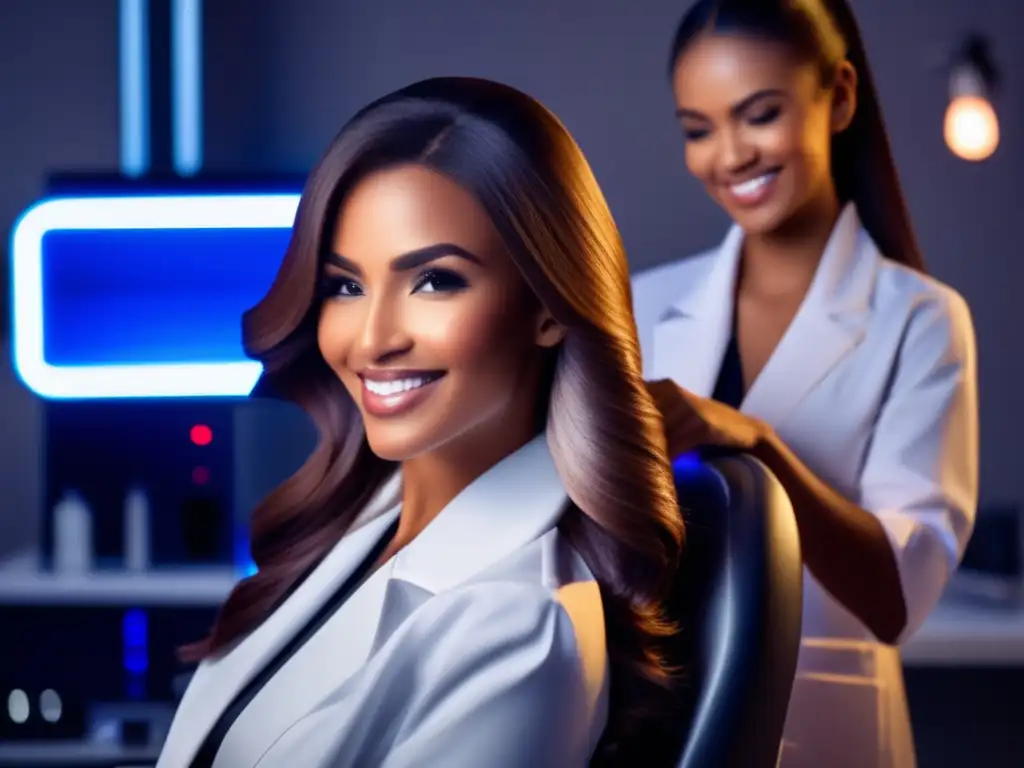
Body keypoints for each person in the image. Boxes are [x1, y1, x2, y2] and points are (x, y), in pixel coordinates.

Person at [156, 77, 685, 768]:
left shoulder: (522, 631)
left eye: (434, 280)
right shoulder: (359, 519)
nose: (372, 338)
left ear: (549, 306)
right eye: (346, 286)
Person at [632, 1, 978, 766]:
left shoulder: (920, 319)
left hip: (832, 729)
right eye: (699, 129)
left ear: (841, 97)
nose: (728, 156)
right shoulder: (644, 305)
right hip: (659, 723)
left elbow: (897, 597)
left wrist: (757, 442)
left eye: (758, 115)